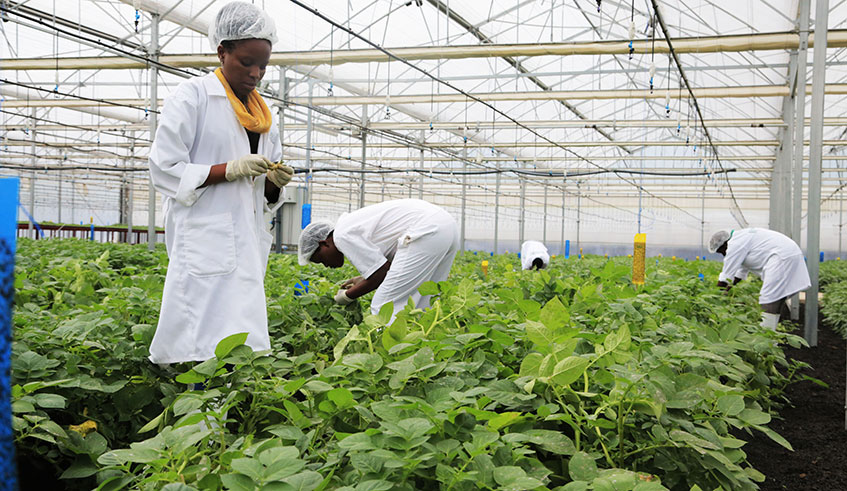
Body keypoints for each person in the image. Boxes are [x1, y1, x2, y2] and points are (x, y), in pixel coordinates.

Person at [147, 1, 294, 364]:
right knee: (198, 338)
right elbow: (163, 167)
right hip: (204, 237)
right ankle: (193, 406)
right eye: (247, 62)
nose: (256, 73)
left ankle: (229, 409)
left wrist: (274, 184)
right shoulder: (194, 97)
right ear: (222, 51)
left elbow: (260, 197)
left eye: (263, 65)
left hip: (244, 239)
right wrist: (225, 170)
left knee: (242, 342)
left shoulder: (262, 115)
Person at [298, 199, 459, 321]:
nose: (326, 265)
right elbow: (386, 267)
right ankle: (421, 348)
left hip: (427, 230)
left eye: (320, 260)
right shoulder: (348, 226)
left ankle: (387, 356)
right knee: (424, 300)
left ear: (324, 243)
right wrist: (362, 279)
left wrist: (346, 296)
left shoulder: (341, 236)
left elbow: (380, 274)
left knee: (383, 307)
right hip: (447, 226)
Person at [708, 228, 811, 330]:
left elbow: (726, 276)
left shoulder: (735, 244)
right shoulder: (742, 239)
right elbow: (739, 274)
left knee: (768, 298)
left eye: (721, 251)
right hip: (787, 255)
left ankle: (765, 337)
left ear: (724, 244)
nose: (723, 254)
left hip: (781, 258)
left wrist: (715, 297)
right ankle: (771, 336)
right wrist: (727, 291)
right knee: (776, 298)